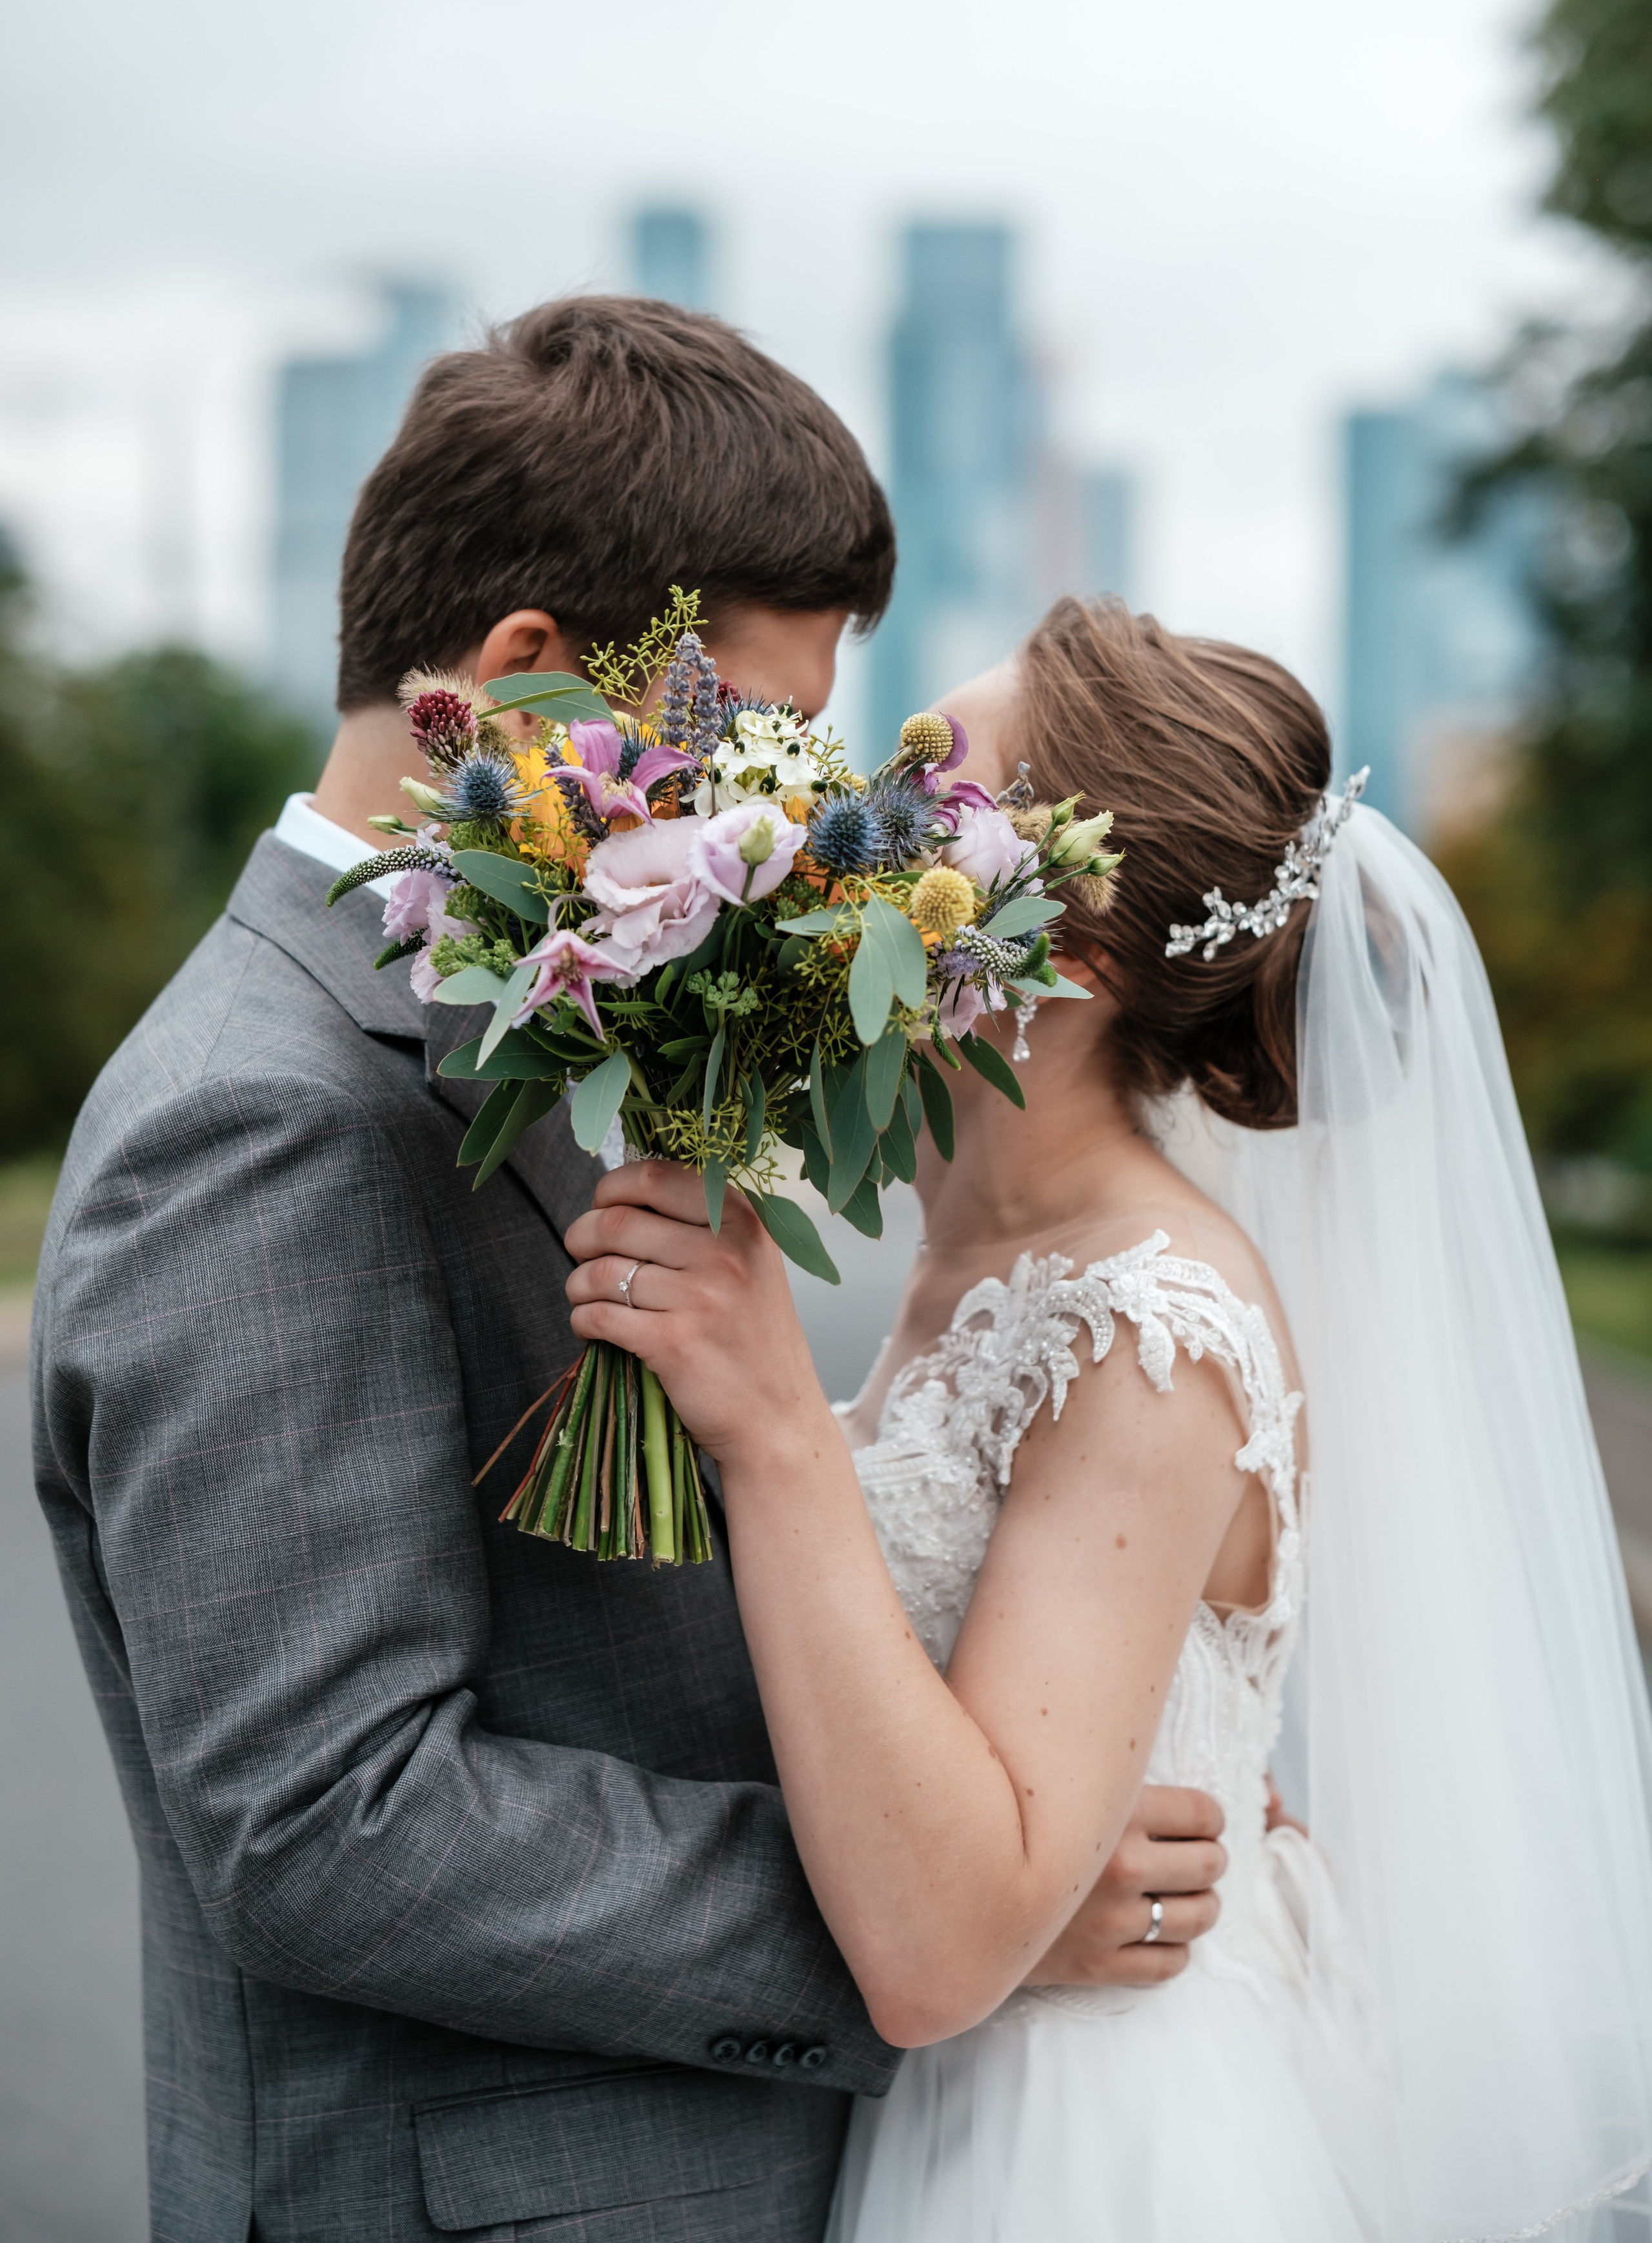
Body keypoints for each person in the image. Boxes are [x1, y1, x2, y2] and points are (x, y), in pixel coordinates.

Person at [32, 301, 1226, 2243]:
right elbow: (329, 1825)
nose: (774, 815)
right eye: (747, 737)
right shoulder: (259, 1120)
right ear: (525, 682)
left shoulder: (532, 1019)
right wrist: (959, 1914)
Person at [564, 595, 1652, 2240]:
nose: (839, 820)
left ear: (1052, 953)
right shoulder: (983, 1254)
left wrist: (777, 1426)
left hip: (1087, 2145)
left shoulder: (1146, 1326)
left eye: (921, 793)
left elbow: (939, 1951)